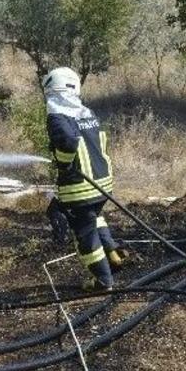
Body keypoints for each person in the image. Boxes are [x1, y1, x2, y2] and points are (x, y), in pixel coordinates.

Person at [42, 67, 126, 291]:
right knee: (95, 217)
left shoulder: (57, 114)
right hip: (101, 183)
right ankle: (114, 255)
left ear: (51, 90)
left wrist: (63, 162)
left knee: (84, 232)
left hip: (80, 188)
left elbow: (68, 142)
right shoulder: (86, 112)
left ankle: (102, 280)